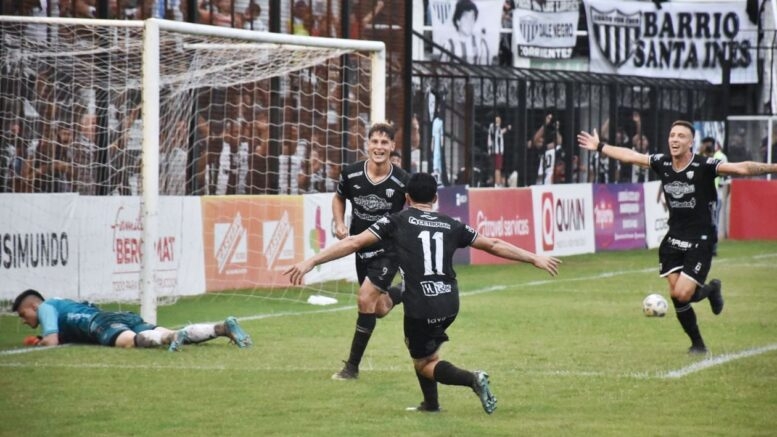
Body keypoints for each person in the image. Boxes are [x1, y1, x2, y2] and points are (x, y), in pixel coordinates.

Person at [284, 172, 561, 413]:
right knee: (425, 351)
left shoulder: (396, 221)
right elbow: (494, 244)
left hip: (421, 306)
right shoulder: (452, 224)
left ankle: (472, 379)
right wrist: (534, 258)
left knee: (424, 364)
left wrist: (311, 261)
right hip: (450, 302)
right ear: (435, 198)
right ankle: (431, 405)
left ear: (406, 198)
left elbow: (354, 242)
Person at [578, 120, 777, 354]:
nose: (675, 139)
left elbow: (742, 169)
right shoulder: (662, 163)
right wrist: (600, 146)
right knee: (677, 296)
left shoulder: (704, 165)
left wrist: (773, 167)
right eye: (672, 135)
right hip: (673, 237)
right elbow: (630, 156)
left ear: (691, 142)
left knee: (683, 293)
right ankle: (698, 344)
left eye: (681, 136)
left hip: (700, 238)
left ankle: (711, 290)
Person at [329, 121, 410, 380]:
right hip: (361, 248)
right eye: (375, 141)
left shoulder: (402, 180)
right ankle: (405, 291)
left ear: (392, 146)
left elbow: (417, 208)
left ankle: (351, 367)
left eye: (384, 142)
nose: (379, 147)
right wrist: (339, 223)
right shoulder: (351, 174)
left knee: (364, 299)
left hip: (388, 251)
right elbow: (339, 197)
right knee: (379, 308)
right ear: (368, 145)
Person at [12, 289, 253, 351]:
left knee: (129, 342)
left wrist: (41, 341)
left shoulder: (45, 307)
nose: (24, 320)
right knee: (175, 334)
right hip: (119, 316)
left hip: (100, 323)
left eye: (23, 314)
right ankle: (221, 328)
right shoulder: (61, 303)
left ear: (34, 306)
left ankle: (169, 337)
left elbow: (52, 340)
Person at [445, 0, 489, 64]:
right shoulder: (449, 44)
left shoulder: (481, 44)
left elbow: (486, 69)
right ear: (458, 21)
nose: (470, 22)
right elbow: (441, 68)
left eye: (472, 18)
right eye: (466, 18)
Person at [487, 115, 511, 187]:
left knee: (495, 167)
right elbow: (499, 133)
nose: (499, 122)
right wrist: (507, 128)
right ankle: (497, 184)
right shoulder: (494, 127)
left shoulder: (493, 128)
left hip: (494, 151)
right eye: (497, 120)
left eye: (499, 121)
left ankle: (496, 182)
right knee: (497, 168)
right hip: (497, 151)